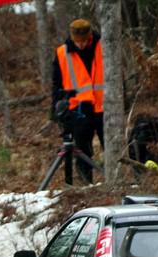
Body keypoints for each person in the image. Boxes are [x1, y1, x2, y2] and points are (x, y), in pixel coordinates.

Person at [51, 19, 104, 184]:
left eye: (84, 41)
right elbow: (56, 85)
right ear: (72, 38)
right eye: (77, 42)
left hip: (104, 108)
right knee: (82, 152)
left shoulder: (104, 46)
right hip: (79, 111)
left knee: (111, 149)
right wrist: (56, 112)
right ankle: (86, 186)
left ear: (90, 37)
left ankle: (114, 182)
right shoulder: (62, 53)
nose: (80, 45)